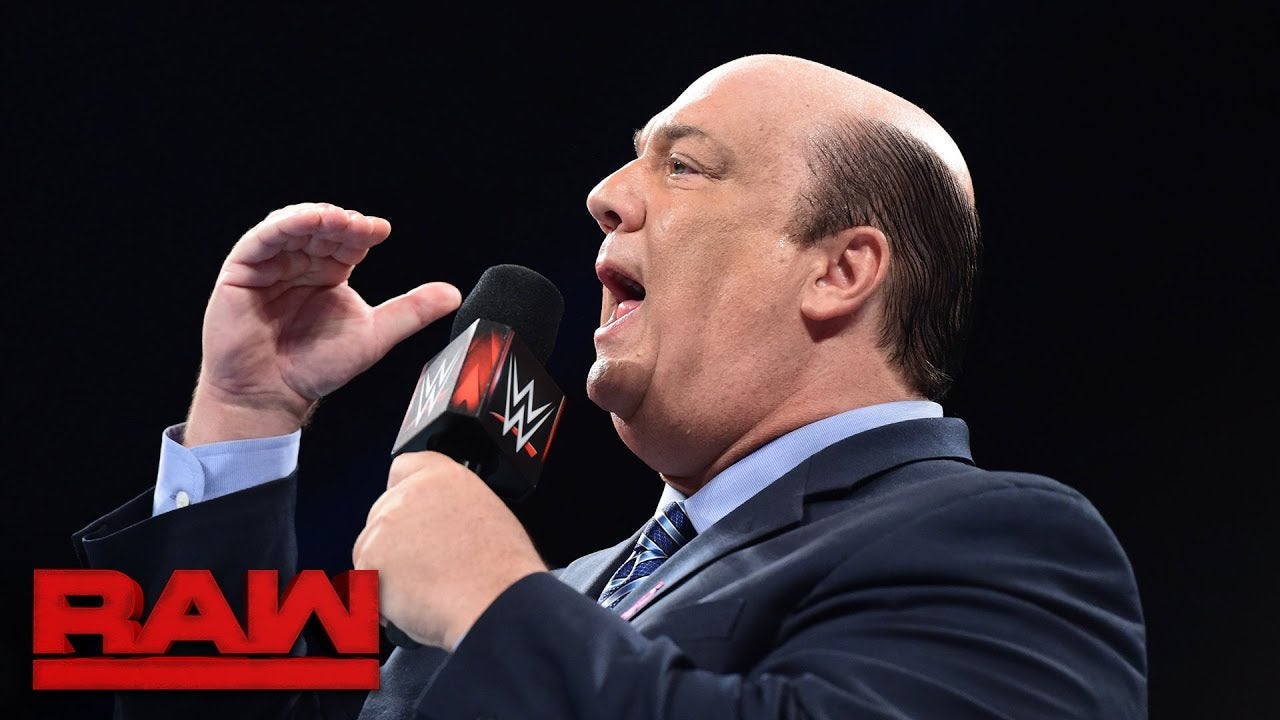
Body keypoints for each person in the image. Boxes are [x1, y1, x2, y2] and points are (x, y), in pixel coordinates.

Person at [73, 53, 1148, 718]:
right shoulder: (576, 588)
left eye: (683, 165)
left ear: (839, 271)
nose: (603, 195)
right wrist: (244, 418)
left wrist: (496, 602)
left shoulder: (1014, 542)